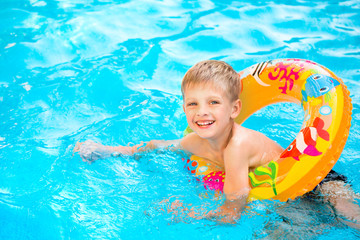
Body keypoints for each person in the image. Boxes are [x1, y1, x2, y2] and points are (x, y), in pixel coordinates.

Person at [73, 60, 360, 226]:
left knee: (349, 217)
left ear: (235, 109)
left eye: (213, 102)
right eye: (193, 104)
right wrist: (108, 151)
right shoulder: (193, 141)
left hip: (319, 180)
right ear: (184, 109)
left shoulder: (237, 147)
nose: (202, 112)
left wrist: (187, 213)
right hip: (281, 196)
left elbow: (232, 212)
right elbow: (155, 146)